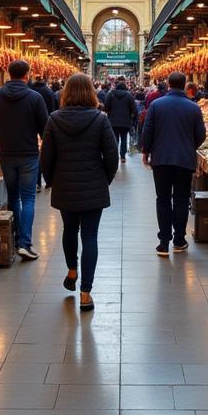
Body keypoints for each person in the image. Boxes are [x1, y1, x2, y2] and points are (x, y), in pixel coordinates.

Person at [40, 73, 118, 312]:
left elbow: (47, 157)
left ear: (66, 93)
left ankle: (72, 270)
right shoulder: (100, 119)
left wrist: (52, 180)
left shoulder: (54, 119)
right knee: (90, 237)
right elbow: (112, 155)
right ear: (91, 93)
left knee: (70, 230)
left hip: (65, 186)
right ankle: (85, 293)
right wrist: (105, 178)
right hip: (93, 186)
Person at [0, 59, 49, 260]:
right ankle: (24, 243)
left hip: (6, 155)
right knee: (28, 198)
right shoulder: (35, 98)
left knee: (13, 196)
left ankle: (14, 238)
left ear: (8, 74)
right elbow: (45, 129)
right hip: (28, 155)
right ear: (27, 75)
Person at [140, 70, 207, 256]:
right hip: (184, 161)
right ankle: (179, 240)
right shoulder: (193, 107)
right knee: (181, 199)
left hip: (161, 160)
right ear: (185, 84)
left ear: (168, 84)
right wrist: (188, 145)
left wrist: (146, 151)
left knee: (162, 199)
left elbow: (148, 130)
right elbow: (201, 134)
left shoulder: (156, 105)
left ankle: (163, 242)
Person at [29, 75, 56, 190]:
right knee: (41, 152)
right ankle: (40, 181)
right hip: (46, 123)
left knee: (37, 153)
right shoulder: (49, 92)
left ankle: (36, 181)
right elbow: (53, 108)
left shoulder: (31, 91)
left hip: (30, 125)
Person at [103, 76, 135, 162]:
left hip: (113, 121)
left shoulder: (110, 94)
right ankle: (123, 156)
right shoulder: (129, 95)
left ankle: (114, 155)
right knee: (124, 138)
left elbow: (106, 107)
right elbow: (133, 108)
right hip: (125, 122)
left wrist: (109, 112)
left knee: (114, 139)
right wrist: (131, 117)